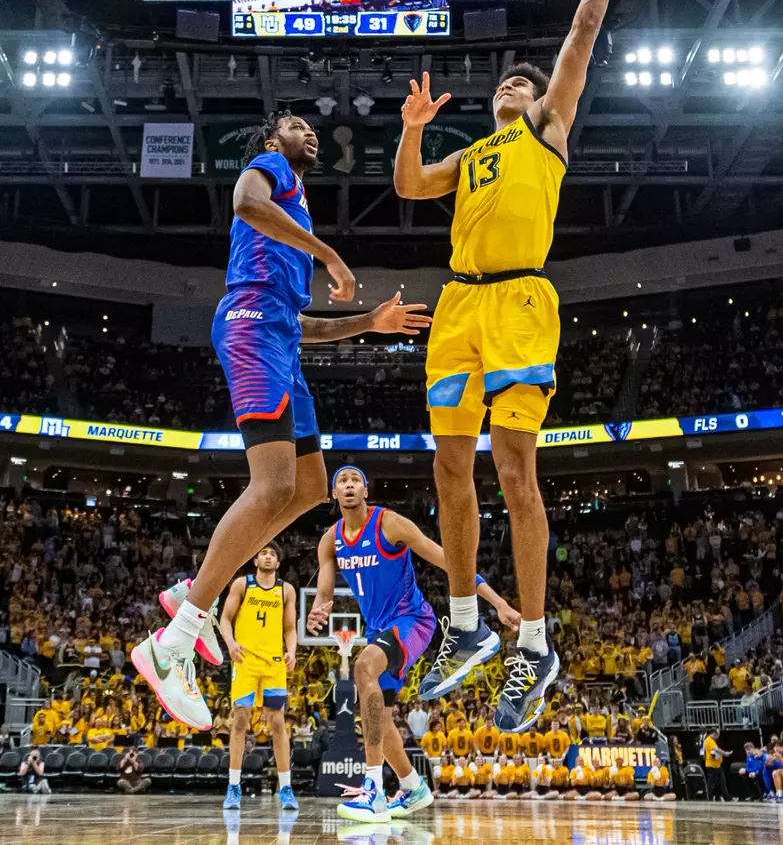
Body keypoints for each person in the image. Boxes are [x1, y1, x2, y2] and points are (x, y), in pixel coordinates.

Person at [392, 0, 633, 731]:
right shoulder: (472, 153)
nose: (508, 87)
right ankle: (464, 627)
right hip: (457, 309)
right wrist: (416, 124)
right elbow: (409, 185)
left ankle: (532, 638)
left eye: (518, 85)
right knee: (447, 470)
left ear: (538, 104)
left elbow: (582, 30)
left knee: (512, 470)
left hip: (521, 305)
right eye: (502, 84)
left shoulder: (543, 130)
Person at [132, 113, 432, 733]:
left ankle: (195, 591)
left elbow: (303, 325)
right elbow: (243, 203)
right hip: (250, 326)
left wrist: (367, 325)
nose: (312, 132)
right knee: (269, 486)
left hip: (280, 337)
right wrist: (327, 254)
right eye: (298, 124)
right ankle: (175, 639)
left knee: (307, 486)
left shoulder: (293, 214)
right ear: (274, 141)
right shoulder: (269, 173)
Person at [308, 465, 519, 822]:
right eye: (341, 481)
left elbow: (449, 561)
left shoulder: (389, 524)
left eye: (354, 480)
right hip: (379, 630)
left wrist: (497, 602)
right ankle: (412, 787)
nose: (347, 485)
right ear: (333, 495)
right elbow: (325, 592)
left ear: (365, 491)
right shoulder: (331, 539)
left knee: (362, 668)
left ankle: (373, 791)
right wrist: (318, 609)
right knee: (381, 719)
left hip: (412, 621)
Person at [218, 542, 299, 812]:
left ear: (278, 563)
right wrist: (230, 644)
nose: (267, 556)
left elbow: (289, 628)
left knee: (278, 723)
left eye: (273, 554)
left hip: (274, 663)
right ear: (255, 559)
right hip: (246, 661)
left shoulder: (286, 590)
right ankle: (233, 787)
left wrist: (292, 651)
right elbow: (225, 619)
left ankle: (285, 788)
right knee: (240, 720)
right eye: (263, 552)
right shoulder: (243, 584)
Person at [704, 727, 732, 801]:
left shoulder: (711, 740)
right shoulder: (709, 740)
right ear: (713, 733)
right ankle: (709, 798)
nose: (718, 736)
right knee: (711, 783)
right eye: (717, 734)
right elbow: (716, 749)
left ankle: (726, 797)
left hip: (716, 765)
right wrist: (725, 753)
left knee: (721, 782)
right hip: (712, 766)